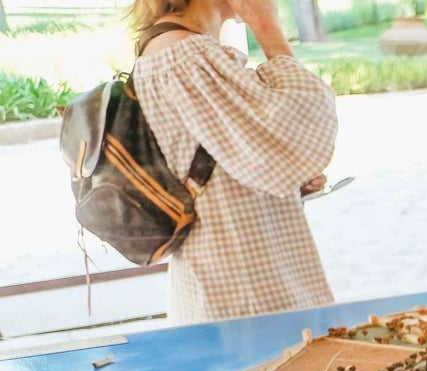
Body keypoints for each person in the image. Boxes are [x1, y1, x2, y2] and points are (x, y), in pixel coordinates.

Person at [126, 0, 336, 323]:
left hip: (226, 273)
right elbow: (304, 117)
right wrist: (267, 28)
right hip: (247, 281)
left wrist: (293, 174)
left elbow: (254, 152)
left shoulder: (177, 49)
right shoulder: (187, 55)